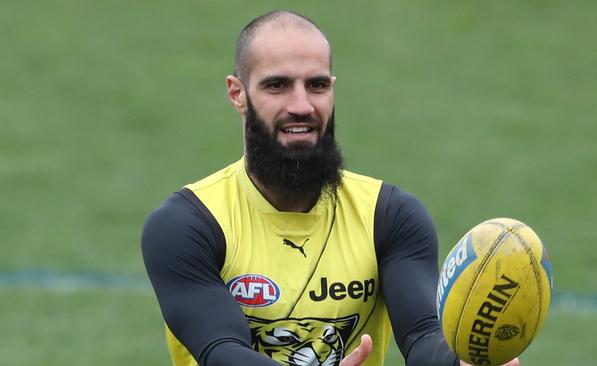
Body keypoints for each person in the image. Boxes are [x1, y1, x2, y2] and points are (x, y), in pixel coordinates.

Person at [141, 10, 519, 366]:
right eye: (278, 86)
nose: (302, 105)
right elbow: (221, 350)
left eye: (317, 85)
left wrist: (461, 361)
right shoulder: (188, 224)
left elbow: (422, 334)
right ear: (237, 93)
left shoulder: (389, 216)